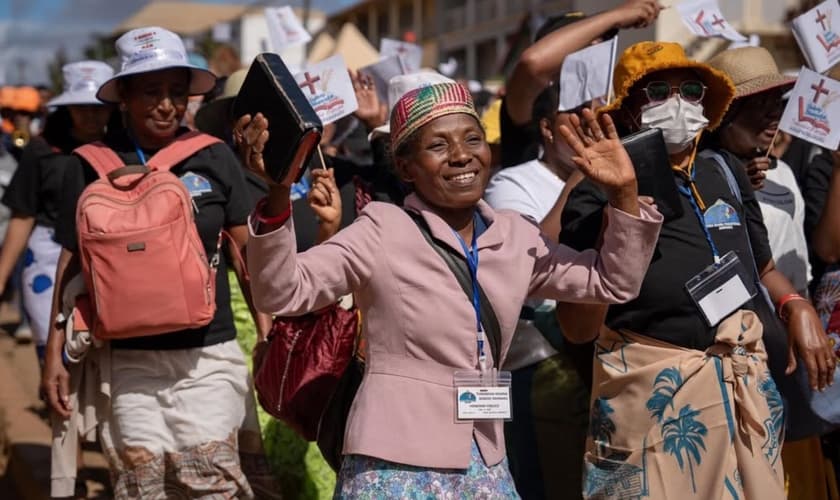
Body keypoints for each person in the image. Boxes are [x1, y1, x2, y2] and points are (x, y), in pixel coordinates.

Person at [245, 81, 663, 497]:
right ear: (406, 167)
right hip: (394, 463)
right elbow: (281, 292)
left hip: (485, 460)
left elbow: (613, 281)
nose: (461, 155)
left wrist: (624, 194)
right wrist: (278, 195)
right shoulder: (381, 228)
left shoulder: (515, 235)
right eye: (438, 145)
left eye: (472, 139)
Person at [558, 41, 834, 499]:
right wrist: (621, 209)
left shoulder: (725, 169)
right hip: (651, 402)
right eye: (656, 92)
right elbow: (577, 327)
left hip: (741, 388)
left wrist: (797, 305)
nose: (677, 103)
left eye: (689, 90)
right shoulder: (596, 191)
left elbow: (762, 266)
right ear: (629, 109)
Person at [42, 27, 270, 498]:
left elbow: (245, 251)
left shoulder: (214, 157)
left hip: (207, 355)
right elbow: (70, 266)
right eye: (151, 91)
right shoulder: (86, 166)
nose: (168, 105)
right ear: (122, 95)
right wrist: (54, 353)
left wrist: (270, 333)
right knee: (139, 485)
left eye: (177, 92)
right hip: (125, 362)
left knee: (210, 483)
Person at [0, 61, 113, 360]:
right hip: (47, 258)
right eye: (81, 107)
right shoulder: (40, 150)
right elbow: (23, 215)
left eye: (98, 106)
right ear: (67, 108)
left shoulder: (123, 149)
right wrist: (1, 276)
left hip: (109, 254)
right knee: (54, 347)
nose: (91, 115)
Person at [500, 0, 660, 168]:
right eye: (583, 47)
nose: (595, 54)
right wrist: (617, 16)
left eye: (601, 45)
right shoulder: (533, 105)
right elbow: (533, 64)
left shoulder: (611, 107)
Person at [706, 47, 810, 296]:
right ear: (726, 114)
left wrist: (803, 308)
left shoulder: (783, 172)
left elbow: (799, 264)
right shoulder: (702, 174)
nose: (774, 113)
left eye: (777, 101)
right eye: (761, 102)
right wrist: (737, 189)